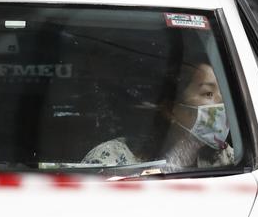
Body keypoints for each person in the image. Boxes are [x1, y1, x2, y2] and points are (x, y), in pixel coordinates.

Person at [82, 59, 234, 169]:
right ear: (170, 110)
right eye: (208, 93)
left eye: (224, 94)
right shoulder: (112, 158)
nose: (222, 103)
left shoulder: (226, 159)